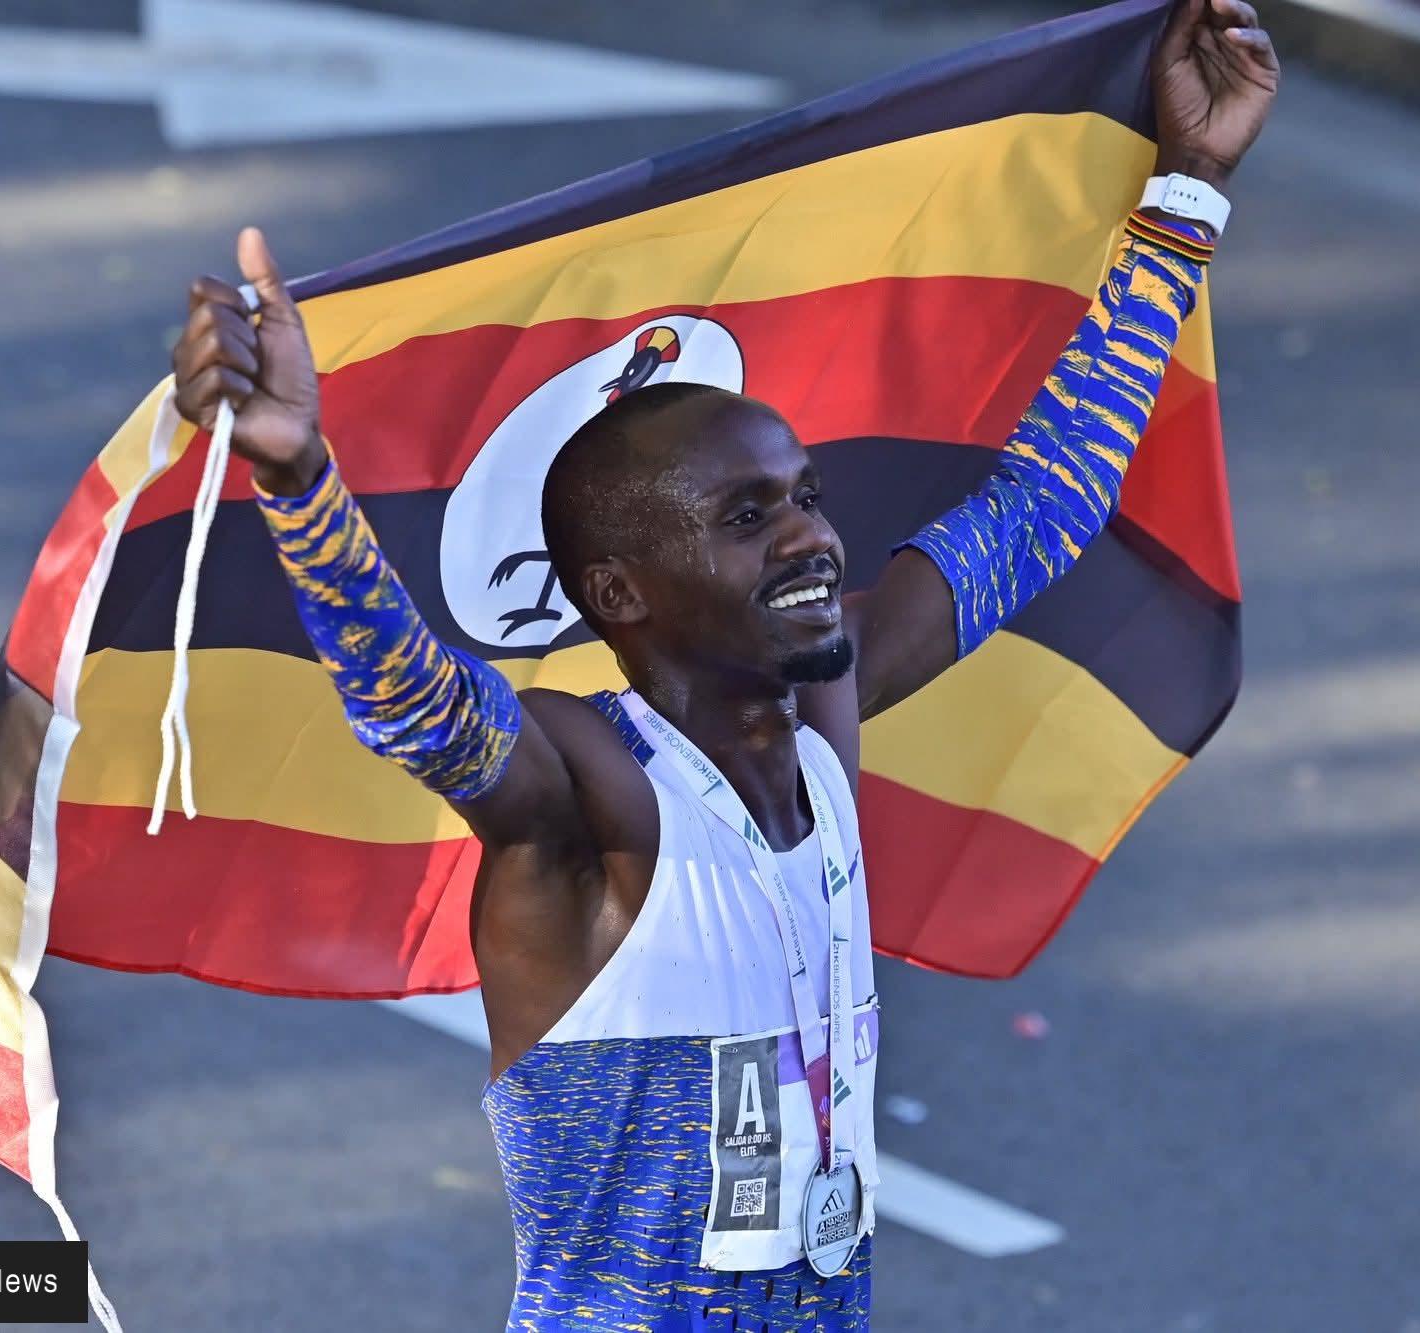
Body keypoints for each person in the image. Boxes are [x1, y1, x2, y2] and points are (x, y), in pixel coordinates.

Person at [169, 2, 1277, 1325]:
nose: (813, 536)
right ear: (619, 594)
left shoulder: (825, 710)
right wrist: (298, 476)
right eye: (748, 518)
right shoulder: (591, 803)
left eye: (805, 495)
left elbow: (1046, 500)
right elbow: (416, 706)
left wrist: (1188, 191)